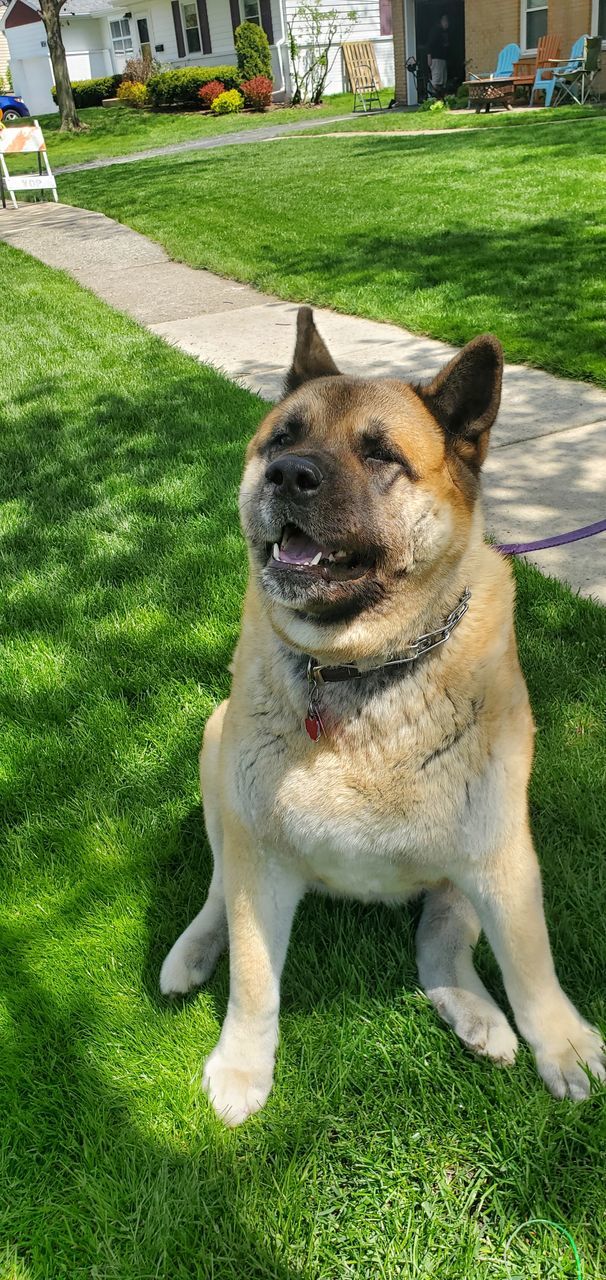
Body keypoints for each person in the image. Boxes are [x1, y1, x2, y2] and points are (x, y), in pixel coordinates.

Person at [427, 12, 449, 99]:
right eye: (445, 20)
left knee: (443, 80)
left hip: (442, 59)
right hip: (436, 59)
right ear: (440, 21)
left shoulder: (444, 32)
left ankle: (440, 99)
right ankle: (432, 99)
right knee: (436, 80)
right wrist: (429, 57)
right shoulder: (435, 31)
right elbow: (429, 44)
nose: (447, 23)